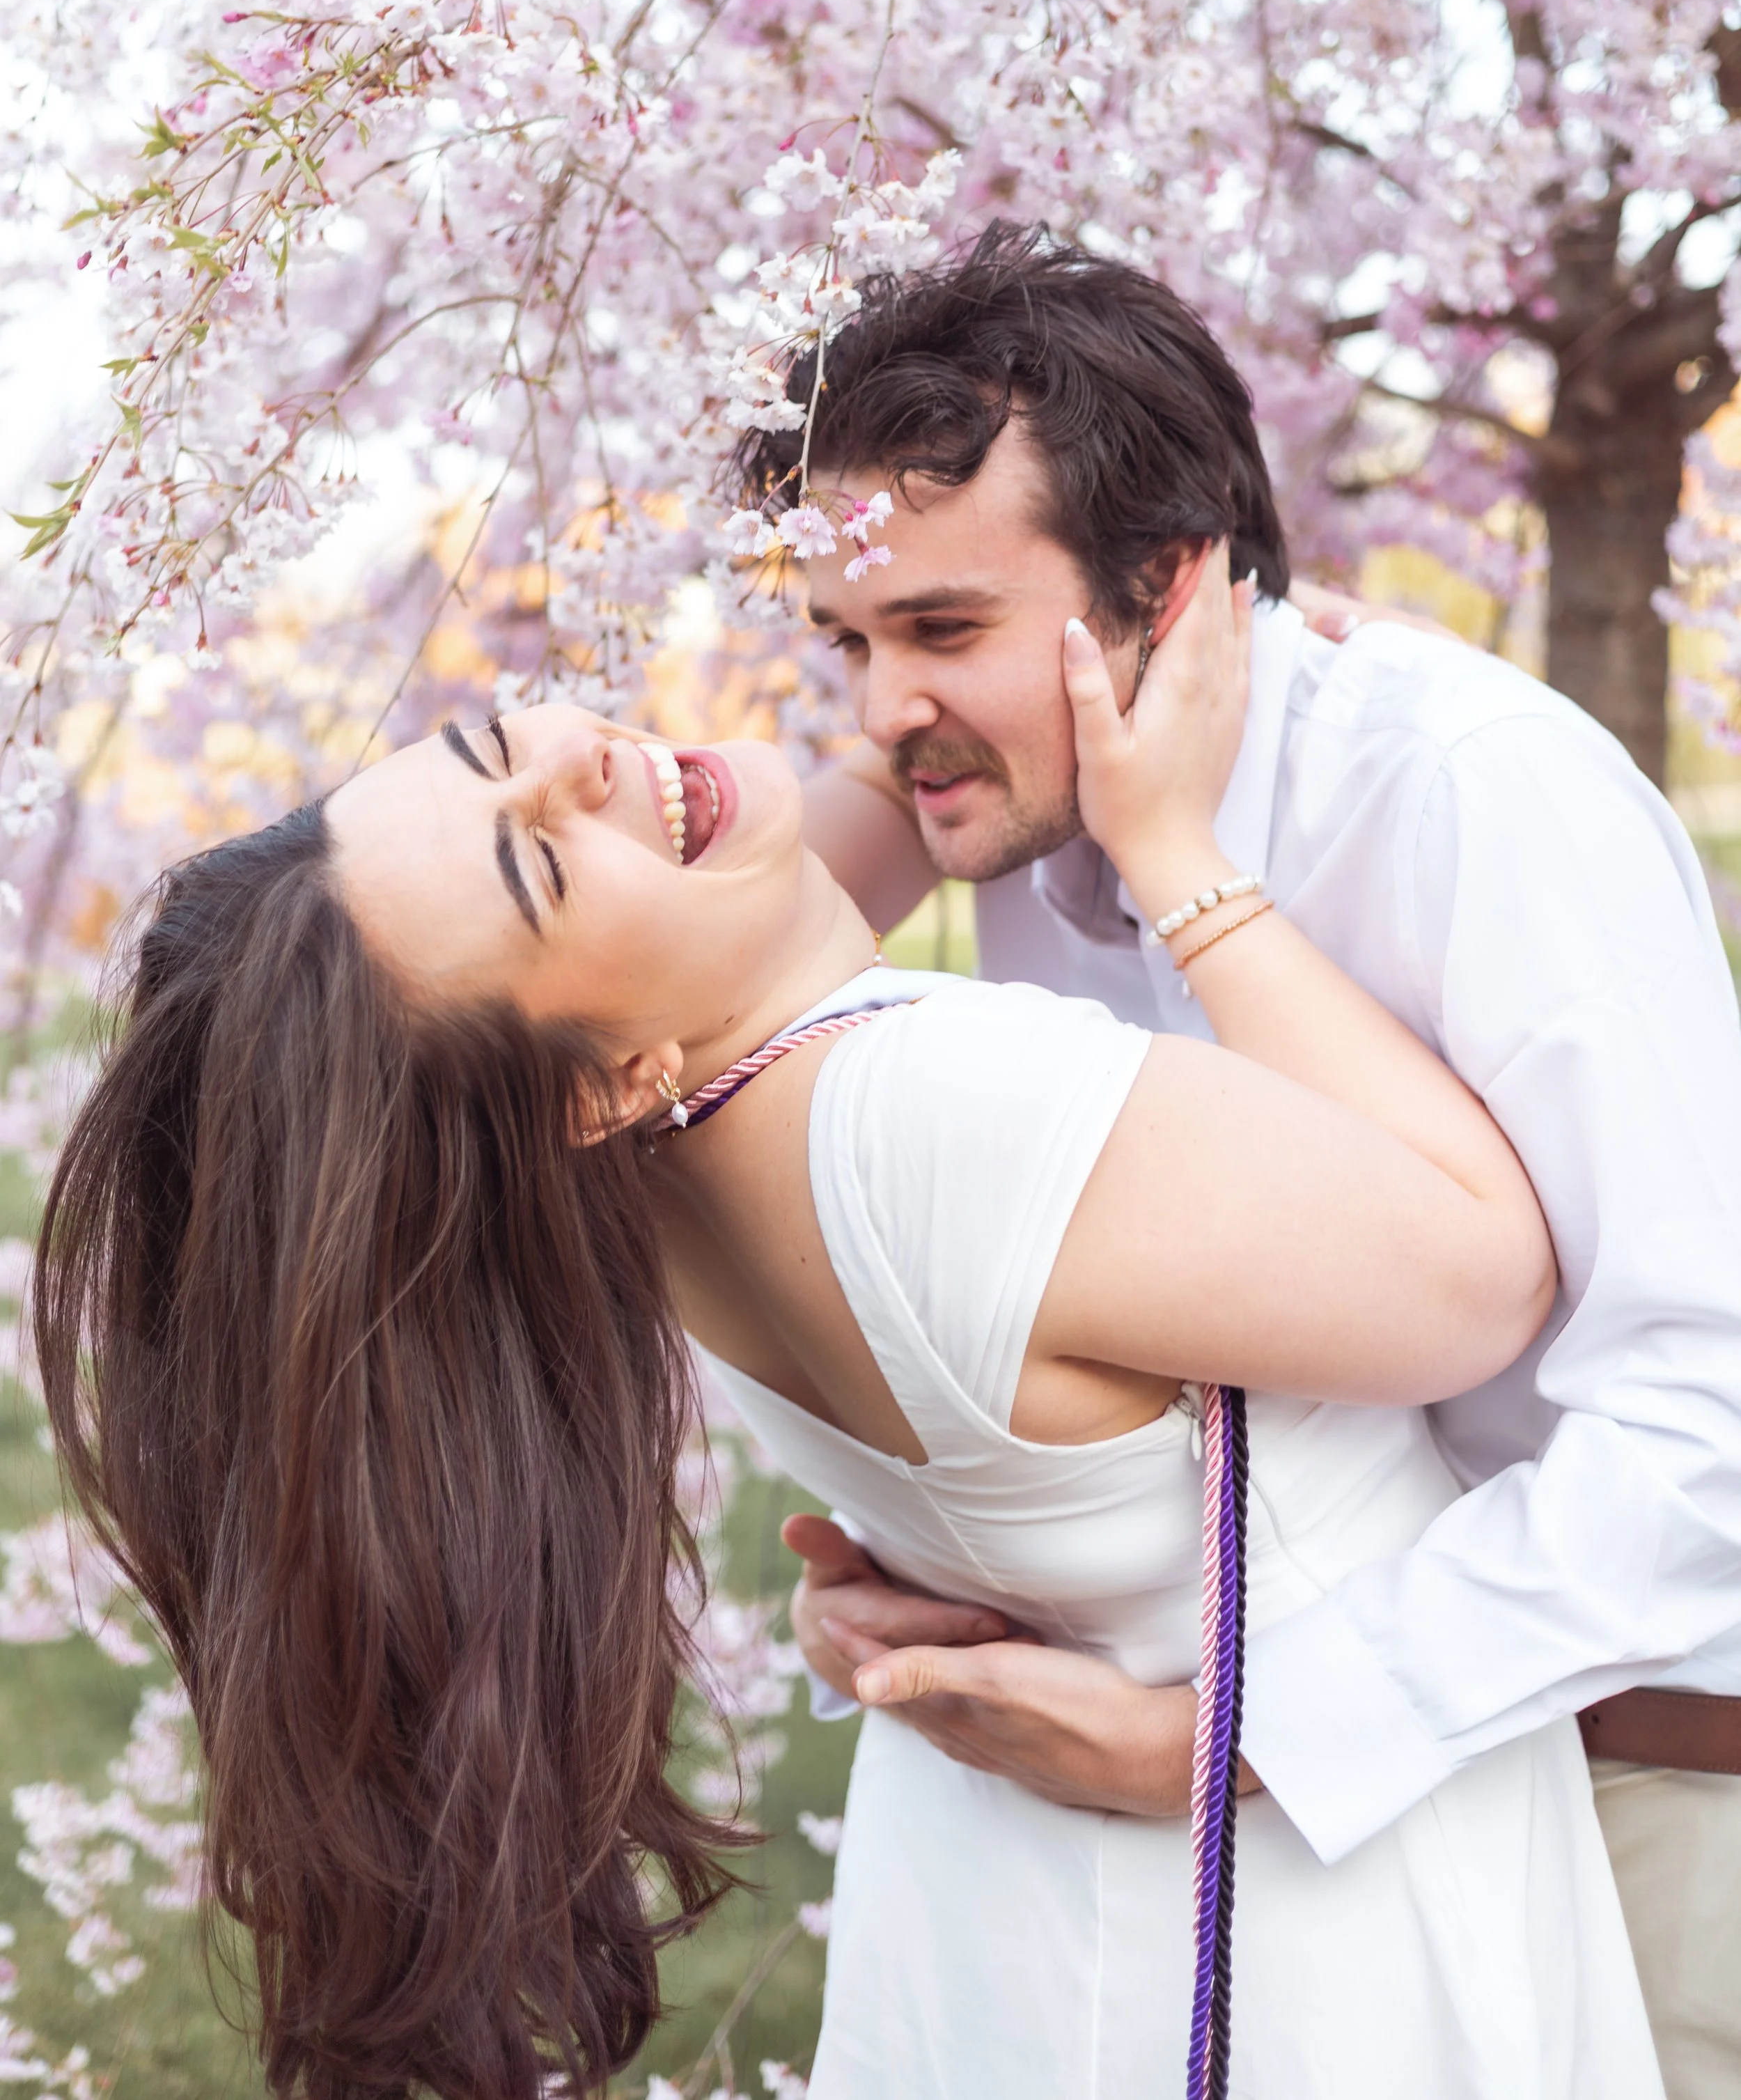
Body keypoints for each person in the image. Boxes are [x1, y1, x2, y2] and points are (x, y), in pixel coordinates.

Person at [34, 558, 1657, 2097]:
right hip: (1307, 1941)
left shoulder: (663, 1168)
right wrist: (1173, 854)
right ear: (601, 1080)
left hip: (1033, 1918)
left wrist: (1046, 665)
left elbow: (781, 851)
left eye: (487, 745)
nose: (583, 763)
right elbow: (1483, 1274)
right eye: (538, 859)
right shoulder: (934, 1111)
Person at [730, 222, 1741, 2100]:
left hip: (1635, 1774)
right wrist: (931, 1580)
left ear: (1165, 584)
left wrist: (1231, 1739)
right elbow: (726, 978)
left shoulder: (1469, 795)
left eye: (941, 625)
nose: (876, 711)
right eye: (846, 642)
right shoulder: (1016, 817)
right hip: (1266, 1812)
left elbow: (1700, 1422)